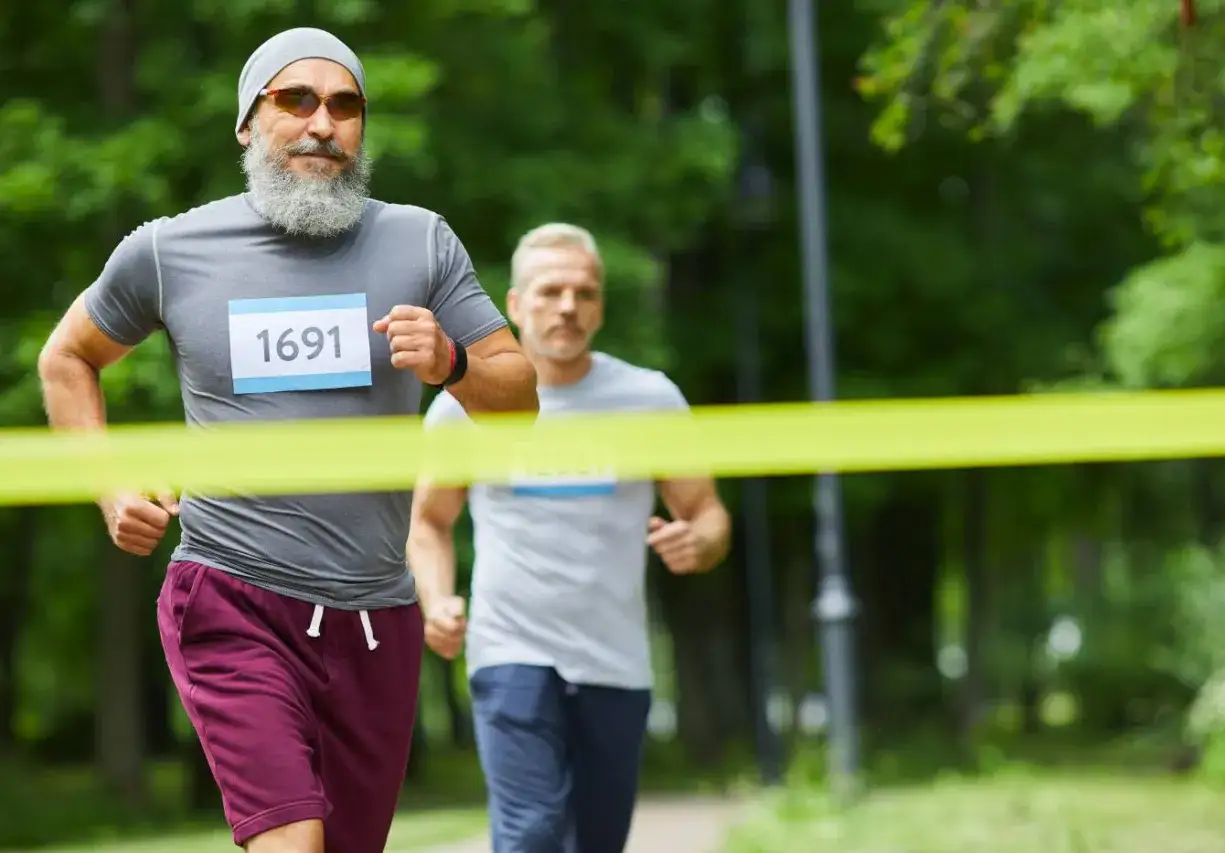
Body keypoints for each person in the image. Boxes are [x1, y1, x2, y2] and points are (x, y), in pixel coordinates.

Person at [36, 27, 538, 853]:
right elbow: (67, 358)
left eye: (345, 106)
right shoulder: (169, 250)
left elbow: (519, 400)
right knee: (292, 839)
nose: (322, 124)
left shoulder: (419, 242)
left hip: (376, 615)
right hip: (233, 596)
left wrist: (450, 361)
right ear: (247, 123)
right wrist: (110, 485)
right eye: (294, 100)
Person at [409, 222, 733, 853]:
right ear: (515, 304)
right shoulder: (464, 406)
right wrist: (437, 600)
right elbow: (429, 522)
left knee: (596, 841)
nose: (567, 306)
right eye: (550, 291)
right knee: (530, 834)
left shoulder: (648, 400)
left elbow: (708, 513)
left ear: (601, 307)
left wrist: (700, 542)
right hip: (510, 651)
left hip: (615, 661)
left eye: (584, 293)